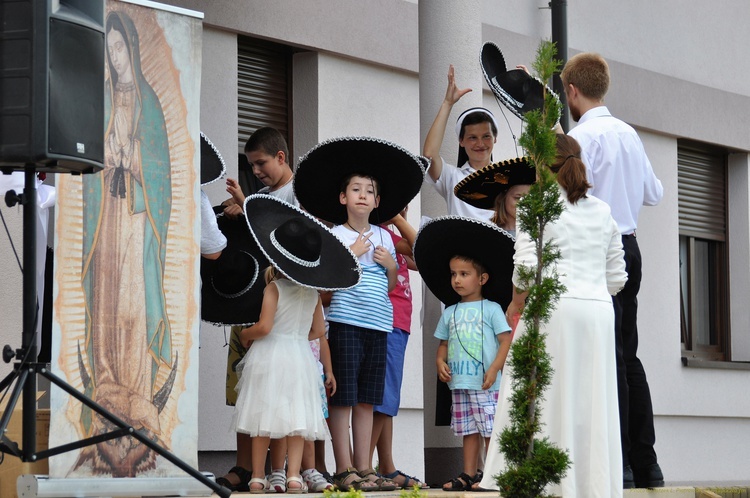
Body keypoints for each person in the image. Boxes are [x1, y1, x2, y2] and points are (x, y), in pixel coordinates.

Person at [477, 133, 628, 496]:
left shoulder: (536, 208)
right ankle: (589, 484)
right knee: (590, 397)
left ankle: (541, 481)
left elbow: (526, 269)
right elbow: (618, 277)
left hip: (553, 308)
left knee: (540, 393)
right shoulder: (603, 210)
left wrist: (515, 304)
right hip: (597, 312)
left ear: (544, 168)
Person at [561, 52, 665, 489]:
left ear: (572, 91)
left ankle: (616, 463)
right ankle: (647, 465)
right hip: (630, 244)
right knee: (629, 356)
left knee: (607, 359)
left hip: (598, 248)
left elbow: (573, 196)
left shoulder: (583, 136)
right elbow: (655, 193)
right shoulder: (628, 134)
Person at [78, 10, 172, 475]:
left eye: (120, 48)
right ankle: (107, 389)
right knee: (107, 303)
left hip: (136, 218)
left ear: (132, 50)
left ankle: (135, 394)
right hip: (108, 219)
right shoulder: (101, 100)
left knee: (134, 305)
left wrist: (132, 156)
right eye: (109, 50)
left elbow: (161, 175)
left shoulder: (149, 104)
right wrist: (104, 158)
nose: (115, 58)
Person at [234, 194, 361, 494]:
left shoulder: (274, 288)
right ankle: (293, 476)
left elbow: (264, 327)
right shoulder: (313, 295)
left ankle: (256, 477)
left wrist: (245, 334)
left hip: (270, 355)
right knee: (296, 419)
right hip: (300, 356)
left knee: (262, 419)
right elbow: (317, 330)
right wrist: (293, 336)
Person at [219, 126, 299, 491]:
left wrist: (248, 205)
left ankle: (281, 470)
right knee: (246, 390)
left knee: (283, 393)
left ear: (281, 157)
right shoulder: (261, 195)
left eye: (261, 163)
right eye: (252, 166)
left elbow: (287, 235)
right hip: (247, 303)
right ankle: (243, 466)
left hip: (284, 310)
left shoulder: (300, 194)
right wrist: (240, 206)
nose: (256, 171)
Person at [368, 208, 428, 489]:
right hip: (380, 319)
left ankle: (387, 466)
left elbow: (423, 252)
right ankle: (364, 466)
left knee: (387, 396)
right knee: (379, 395)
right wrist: (395, 220)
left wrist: (398, 220)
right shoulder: (372, 233)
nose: (401, 208)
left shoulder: (394, 234)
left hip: (398, 321)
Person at [423, 65, 500, 221]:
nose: (480, 143)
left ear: (495, 139)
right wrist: (447, 103)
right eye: (472, 137)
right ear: (461, 141)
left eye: (486, 136)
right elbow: (430, 154)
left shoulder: (508, 177)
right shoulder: (452, 177)